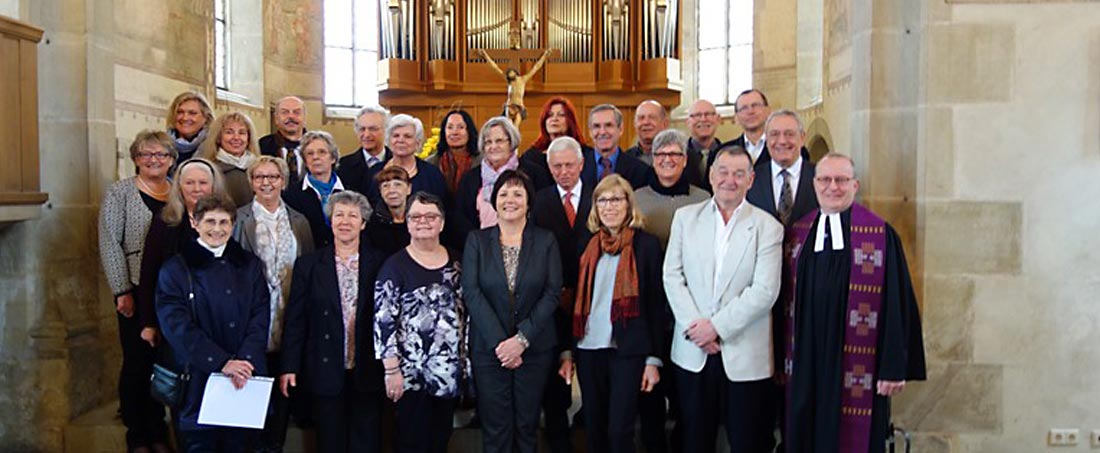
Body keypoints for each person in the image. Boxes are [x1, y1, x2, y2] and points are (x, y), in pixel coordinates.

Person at [785, 153, 926, 453]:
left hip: (856, 364)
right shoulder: (798, 234)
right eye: (825, 179)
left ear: (855, 185)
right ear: (814, 184)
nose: (832, 187)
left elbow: (897, 307)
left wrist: (892, 367)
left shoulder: (879, 235)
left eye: (841, 180)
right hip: (807, 360)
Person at [662, 147, 784, 452]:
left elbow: (765, 290)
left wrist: (715, 328)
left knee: (748, 441)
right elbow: (672, 276)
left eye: (739, 174)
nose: (730, 180)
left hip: (744, 353)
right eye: (724, 172)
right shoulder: (685, 218)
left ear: (751, 180)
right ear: (712, 175)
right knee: (694, 440)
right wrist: (697, 329)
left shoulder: (768, 226)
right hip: (693, 351)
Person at [557, 174, 666, 453]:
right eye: (602, 200)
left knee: (620, 431)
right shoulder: (586, 244)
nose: (609, 206)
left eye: (616, 199)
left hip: (628, 350)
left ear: (629, 204)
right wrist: (568, 351)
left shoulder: (646, 246)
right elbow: (572, 301)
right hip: (589, 348)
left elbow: (656, 304)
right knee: (594, 428)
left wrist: (654, 358)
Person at [155, 194, 270, 452]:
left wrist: (245, 361)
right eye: (210, 221)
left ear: (233, 225)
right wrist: (221, 362)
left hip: (244, 378)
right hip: (198, 378)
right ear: (195, 223)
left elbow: (261, 314)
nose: (217, 229)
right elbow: (177, 326)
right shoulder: (175, 269)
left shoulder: (249, 265)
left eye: (224, 222)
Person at [462, 170, 562, 453]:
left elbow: (552, 292)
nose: (510, 199)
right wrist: (501, 343)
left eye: (518, 194)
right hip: (488, 350)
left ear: (529, 202)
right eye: (504, 193)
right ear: (494, 201)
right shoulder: (477, 241)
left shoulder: (546, 241)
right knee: (496, 427)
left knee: (527, 425)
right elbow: (471, 292)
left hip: (535, 349)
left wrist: (521, 341)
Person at [281, 191, 389, 453]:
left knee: (366, 441)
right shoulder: (308, 265)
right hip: (325, 365)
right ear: (330, 221)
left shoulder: (382, 263)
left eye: (353, 216)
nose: (345, 221)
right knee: (330, 441)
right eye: (339, 214)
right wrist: (289, 366)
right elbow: (296, 320)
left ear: (363, 223)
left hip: (367, 366)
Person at [97, 130, 176, 453]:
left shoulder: (178, 192)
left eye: (161, 155)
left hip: (169, 289)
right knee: (137, 361)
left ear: (172, 159)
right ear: (136, 159)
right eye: (146, 154)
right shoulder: (120, 193)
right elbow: (109, 242)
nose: (154, 160)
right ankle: (137, 432)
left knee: (162, 360)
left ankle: (158, 430)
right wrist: (121, 290)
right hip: (135, 285)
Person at [232, 155, 315, 453]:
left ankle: (275, 444)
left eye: (273, 176)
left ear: (283, 180)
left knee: (284, 381)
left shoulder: (299, 221)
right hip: (252, 314)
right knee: (255, 381)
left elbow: (308, 266)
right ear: (251, 182)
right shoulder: (239, 219)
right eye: (259, 177)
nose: (266, 182)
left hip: (290, 309)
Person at [374, 191, 466, 453]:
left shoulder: (458, 262)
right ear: (407, 222)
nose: (423, 221)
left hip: (448, 373)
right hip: (409, 375)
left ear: (442, 222)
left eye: (430, 216)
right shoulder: (394, 266)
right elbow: (383, 323)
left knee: (440, 438)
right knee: (411, 441)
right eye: (415, 216)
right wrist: (391, 371)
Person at [530, 136, 591, 453]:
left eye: (570, 165)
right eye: (557, 166)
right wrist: (559, 291)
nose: (564, 171)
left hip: (593, 302)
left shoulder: (599, 197)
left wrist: (580, 291)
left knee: (593, 376)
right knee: (555, 380)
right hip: (552, 302)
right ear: (549, 167)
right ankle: (559, 442)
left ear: (581, 164)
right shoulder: (539, 202)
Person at [136, 158, 227, 353]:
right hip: (175, 316)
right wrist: (148, 322)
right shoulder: (165, 220)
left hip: (217, 317)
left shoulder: (226, 218)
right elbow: (149, 271)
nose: (196, 189)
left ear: (213, 187)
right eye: (189, 183)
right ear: (179, 187)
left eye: (203, 183)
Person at [633, 129, 710, 249]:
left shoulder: (703, 199)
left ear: (685, 160)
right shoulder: (636, 198)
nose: (667, 159)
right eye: (661, 154)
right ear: (653, 160)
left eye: (674, 154)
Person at [451, 116, 521, 249]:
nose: (493, 147)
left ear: (511, 142)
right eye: (488, 142)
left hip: (522, 247)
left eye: (499, 141)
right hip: (482, 248)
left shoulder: (530, 173)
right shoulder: (470, 178)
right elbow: (460, 219)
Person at [282, 130, 346, 249]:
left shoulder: (350, 191)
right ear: (305, 161)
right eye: (310, 153)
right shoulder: (291, 195)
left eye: (322, 152)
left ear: (333, 158)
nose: (315, 157)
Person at [364, 114, 448, 204]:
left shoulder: (432, 174)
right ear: (388, 140)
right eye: (396, 136)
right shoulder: (374, 173)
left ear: (418, 142)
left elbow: (442, 209)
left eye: (407, 136)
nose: (400, 140)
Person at [520, 96, 589, 191]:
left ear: (570, 121)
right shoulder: (531, 157)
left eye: (561, 115)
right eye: (549, 115)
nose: (554, 119)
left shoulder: (586, 153)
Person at [477, 47, 554, 128]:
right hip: (509, 106)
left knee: (515, 128)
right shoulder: (509, 81)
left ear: (515, 72)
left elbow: (536, 67)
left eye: (511, 73)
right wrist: (485, 55)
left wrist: (544, 56)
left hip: (519, 106)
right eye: (509, 75)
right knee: (509, 127)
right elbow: (495, 67)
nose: (510, 75)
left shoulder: (523, 80)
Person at [582, 104, 652, 189]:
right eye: (596, 126)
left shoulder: (640, 170)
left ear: (621, 129)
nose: (602, 132)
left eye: (608, 125)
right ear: (590, 132)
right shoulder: (578, 167)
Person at [199, 111, 262, 207]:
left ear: (249, 138)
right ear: (219, 137)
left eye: (242, 132)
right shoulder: (209, 170)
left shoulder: (260, 168)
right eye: (229, 132)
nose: (236, 137)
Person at [339, 106, 392, 194]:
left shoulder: (397, 162)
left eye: (373, 129)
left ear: (386, 130)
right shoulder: (342, 166)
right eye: (362, 129)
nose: (366, 134)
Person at [426, 109, 481, 194]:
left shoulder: (482, 162)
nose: (454, 132)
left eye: (461, 127)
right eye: (450, 127)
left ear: (469, 131)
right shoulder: (431, 163)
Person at [366, 166, 413, 256]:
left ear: (409, 188)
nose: (391, 191)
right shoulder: (372, 221)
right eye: (385, 186)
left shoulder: (420, 217)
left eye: (398, 184)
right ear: (380, 191)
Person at [717, 89, 772, 167]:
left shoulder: (781, 147)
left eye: (755, 105)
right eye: (744, 108)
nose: (750, 111)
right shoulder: (723, 151)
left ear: (768, 111)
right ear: (736, 117)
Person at [259, 96, 308, 181]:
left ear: (304, 118)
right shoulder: (262, 146)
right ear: (276, 119)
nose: (291, 116)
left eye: (296, 112)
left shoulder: (317, 147)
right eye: (285, 112)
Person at [684, 99, 724, 192]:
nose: (703, 119)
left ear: (718, 119)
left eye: (708, 114)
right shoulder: (678, 156)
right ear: (687, 122)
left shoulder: (729, 154)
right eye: (697, 115)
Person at [166, 91, 214, 164]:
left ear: (206, 118)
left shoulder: (214, 149)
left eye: (192, 113)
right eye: (180, 112)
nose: (185, 118)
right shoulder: (161, 145)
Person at [624, 100, 669, 167]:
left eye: (652, 118)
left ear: (665, 124)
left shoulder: (679, 157)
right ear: (634, 124)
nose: (646, 122)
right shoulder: (625, 160)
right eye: (641, 118)